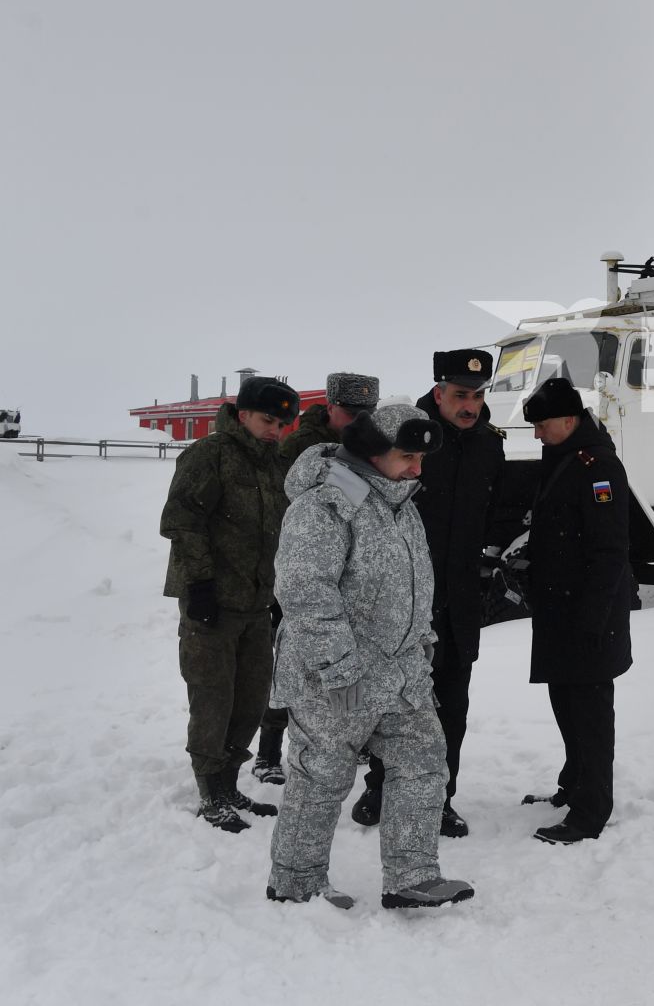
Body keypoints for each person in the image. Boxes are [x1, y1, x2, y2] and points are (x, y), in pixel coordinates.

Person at [266, 402, 474, 910]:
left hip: (400, 676)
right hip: (337, 678)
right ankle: (296, 882)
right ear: (371, 453)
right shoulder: (323, 507)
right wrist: (340, 673)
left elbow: (415, 589)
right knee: (323, 778)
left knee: (425, 764)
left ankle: (412, 875)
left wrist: (421, 653)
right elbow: (306, 596)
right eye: (407, 457)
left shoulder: (399, 505)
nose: (417, 469)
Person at [352, 350, 530, 837]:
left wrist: (490, 559)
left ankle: (438, 799)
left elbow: (500, 507)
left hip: (460, 599)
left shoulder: (489, 445)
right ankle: (381, 786)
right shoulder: (405, 435)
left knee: (451, 705)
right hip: (404, 598)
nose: (470, 405)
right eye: (459, 395)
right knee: (396, 700)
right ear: (437, 392)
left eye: (477, 395)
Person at [159, 374, 300, 832]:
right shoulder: (211, 454)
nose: (275, 430)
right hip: (213, 605)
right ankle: (210, 791)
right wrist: (198, 584)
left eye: (283, 424)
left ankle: (229, 783)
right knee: (213, 699)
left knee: (252, 699)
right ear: (243, 415)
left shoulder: (273, 464)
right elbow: (182, 521)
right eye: (267, 420)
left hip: (256, 604)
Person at [515, 375, 634, 845]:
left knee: (589, 714)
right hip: (560, 611)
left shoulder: (597, 465)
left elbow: (609, 550)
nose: (537, 434)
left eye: (542, 425)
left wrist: (592, 619)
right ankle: (573, 785)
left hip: (587, 616)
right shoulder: (565, 456)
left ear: (569, 419)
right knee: (565, 703)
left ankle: (590, 812)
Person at [253, 371, 380, 785]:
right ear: (330, 408)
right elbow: (277, 508)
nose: (359, 419)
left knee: (343, 659)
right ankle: (269, 752)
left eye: (367, 412)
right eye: (350, 412)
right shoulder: (298, 447)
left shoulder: (368, 446)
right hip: (296, 568)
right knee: (291, 662)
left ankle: (344, 741)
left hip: (345, 573)